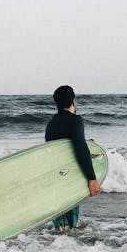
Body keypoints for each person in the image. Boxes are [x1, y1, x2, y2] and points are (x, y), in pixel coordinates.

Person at [45, 85, 100, 230]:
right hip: (70, 176)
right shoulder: (75, 120)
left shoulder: (51, 124)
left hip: (55, 175)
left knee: (59, 221)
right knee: (71, 224)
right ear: (73, 101)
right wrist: (92, 178)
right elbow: (80, 148)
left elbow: (56, 149)